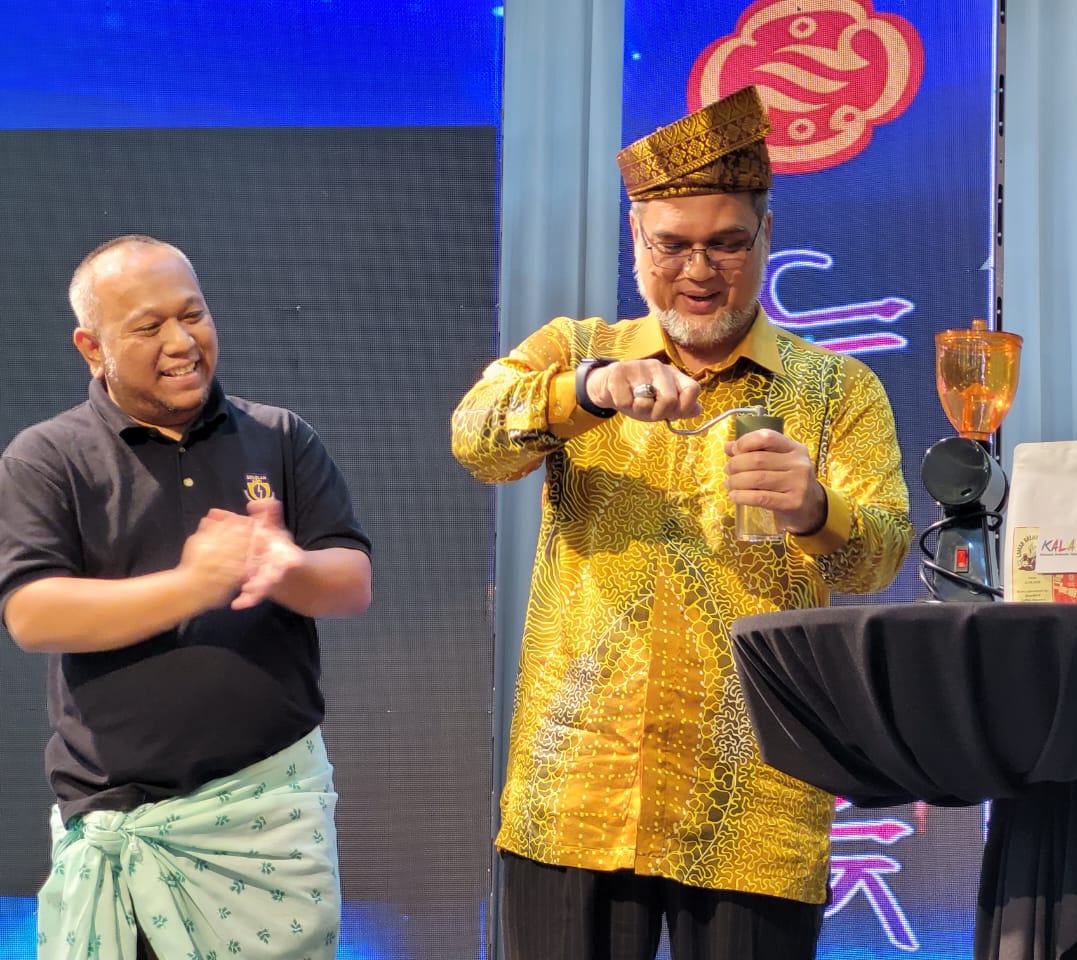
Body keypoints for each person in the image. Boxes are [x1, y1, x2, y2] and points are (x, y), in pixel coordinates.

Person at [452, 86, 911, 960]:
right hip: (577, 788)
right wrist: (588, 391)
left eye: (727, 243)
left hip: (755, 791)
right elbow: (475, 439)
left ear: (767, 238)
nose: (699, 271)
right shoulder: (575, 351)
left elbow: (879, 558)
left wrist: (815, 509)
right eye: (673, 245)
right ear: (637, 239)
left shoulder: (836, 389)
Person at [0, 235, 373, 960]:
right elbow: (32, 613)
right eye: (148, 327)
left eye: (193, 314)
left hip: (271, 829)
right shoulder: (47, 458)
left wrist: (286, 567)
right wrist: (192, 586)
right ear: (92, 348)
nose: (181, 342)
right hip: (122, 826)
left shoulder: (279, 437)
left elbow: (351, 581)